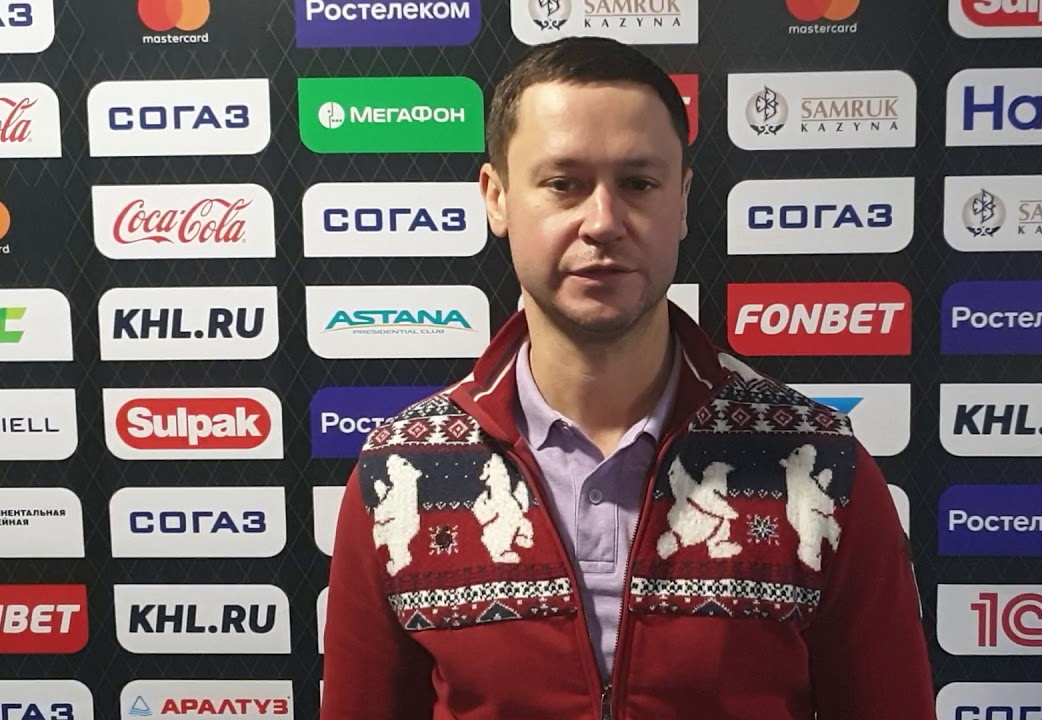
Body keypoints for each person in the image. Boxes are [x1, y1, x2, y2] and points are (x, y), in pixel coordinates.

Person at [320, 35, 935, 720]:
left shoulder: (818, 465)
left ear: (682, 200)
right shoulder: (403, 471)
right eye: (563, 184)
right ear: (496, 198)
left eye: (638, 183)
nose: (604, 222)